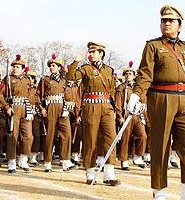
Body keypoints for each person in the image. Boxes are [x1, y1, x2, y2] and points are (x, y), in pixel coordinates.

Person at [127, 5, 185, 199]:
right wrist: (136, 94)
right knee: (160, 146)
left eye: (171, 20)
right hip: (161, 98)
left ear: (180, 25)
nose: (167, 23)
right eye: (163, 20)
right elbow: (145, 73)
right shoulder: (153, 46)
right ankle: (159, 192)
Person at [66, 42, 120, 186]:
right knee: (90, 139)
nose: (90, 54)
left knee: (111, 138)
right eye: (89, 52)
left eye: (93, 52)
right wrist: (77, 60)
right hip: (91, 106)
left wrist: (114, 109)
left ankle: (109, 173)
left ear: (101, 53)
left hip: (107, 107)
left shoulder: (109, 70)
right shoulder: (85, 68)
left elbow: (113, 91)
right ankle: (90, 172)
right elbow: (70, 77)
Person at [38, 54, 76, 172]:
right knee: (50, 135)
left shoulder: (65, 80)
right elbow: (38, 95)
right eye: (50, 65)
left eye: (54, 65)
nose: (51, 67)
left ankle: (65, 160)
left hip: (62, 107)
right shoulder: (45, 80)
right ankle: (47, 162)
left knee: (67, 133)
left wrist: (67, 108)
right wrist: (41, 108)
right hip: (50, 107)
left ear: (59, 67)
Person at [3, 54, 33, 173]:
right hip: (13, 107)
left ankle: (23, 159)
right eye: (14, 66)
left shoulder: (28, 79)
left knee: (28, 135)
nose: (15, 68)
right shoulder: (8, 79)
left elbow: (31, 94)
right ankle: (11, 161)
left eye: (18, 67)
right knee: (12, 135)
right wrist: (7, 107)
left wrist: (30, 108)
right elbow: (1, 95)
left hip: (25, 108)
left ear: (23, 68)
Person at [115, 61, 147, 171]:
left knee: (142, 136)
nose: (128, 75)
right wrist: (120, 116)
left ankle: (137, 156)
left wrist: (143, 115)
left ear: (134, 76)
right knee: (125, 139)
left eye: (130, 73)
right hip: (126, 115)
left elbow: (143, 100)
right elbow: (118, 103)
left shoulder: (137, 88)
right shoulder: (121, 88)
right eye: (126, 74)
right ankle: (123, 161)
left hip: (137, 116)